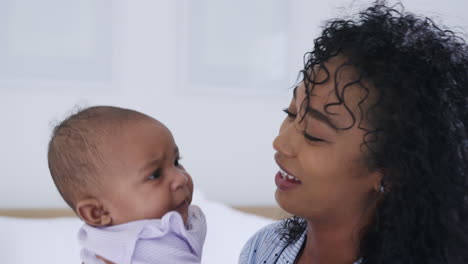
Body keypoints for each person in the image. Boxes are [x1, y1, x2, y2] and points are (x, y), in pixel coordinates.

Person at [239, 3, 467, 264]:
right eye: (290, 113)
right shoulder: (266, 246)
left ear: (392, 169)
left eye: (314, 134)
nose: (281, 142)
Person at [47, 106, 206, 264]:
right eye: (154, 175)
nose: (181, 178)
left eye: (176, 162)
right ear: (97, 212)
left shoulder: (185, 220)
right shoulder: (123, 252)